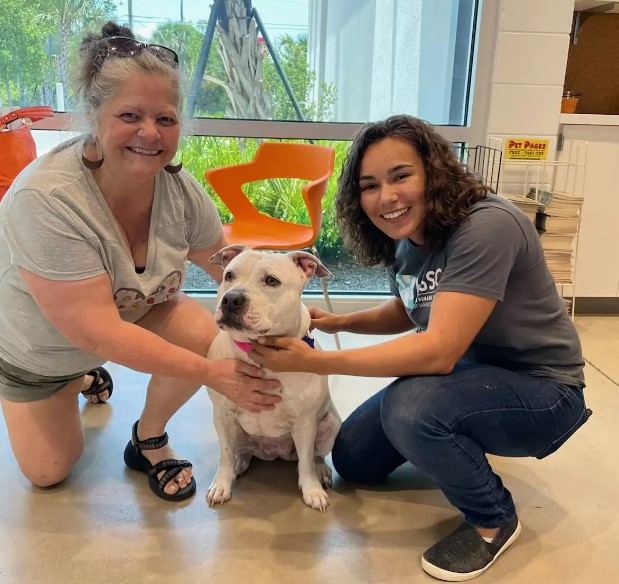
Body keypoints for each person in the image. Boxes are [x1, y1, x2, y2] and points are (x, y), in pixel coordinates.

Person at [249, 114, 590, 581]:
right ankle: (450, 435)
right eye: (369, 185)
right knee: (352, 458)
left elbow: (437, 351)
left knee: (412, 408)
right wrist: (338, 322)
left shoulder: (486, 226)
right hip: (472, 375)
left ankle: (493, 518)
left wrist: (316, 359)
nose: (385, 197)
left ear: (434, 172)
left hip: (545, 390)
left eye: (401, 176)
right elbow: (413, 308)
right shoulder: (409, 240)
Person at [0, 21, 281, 503]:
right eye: (130, 114)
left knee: (212, 340)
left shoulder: (182, 193)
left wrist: (282, 317)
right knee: (48, 472)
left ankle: (147, 437)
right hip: (38, 354)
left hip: (136, 310)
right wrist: (216, 374)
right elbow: (97, 333)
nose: (150, 133)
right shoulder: (45, 199)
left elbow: (229, 273)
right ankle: (79, 379)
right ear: (94, 114)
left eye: (166, 119)